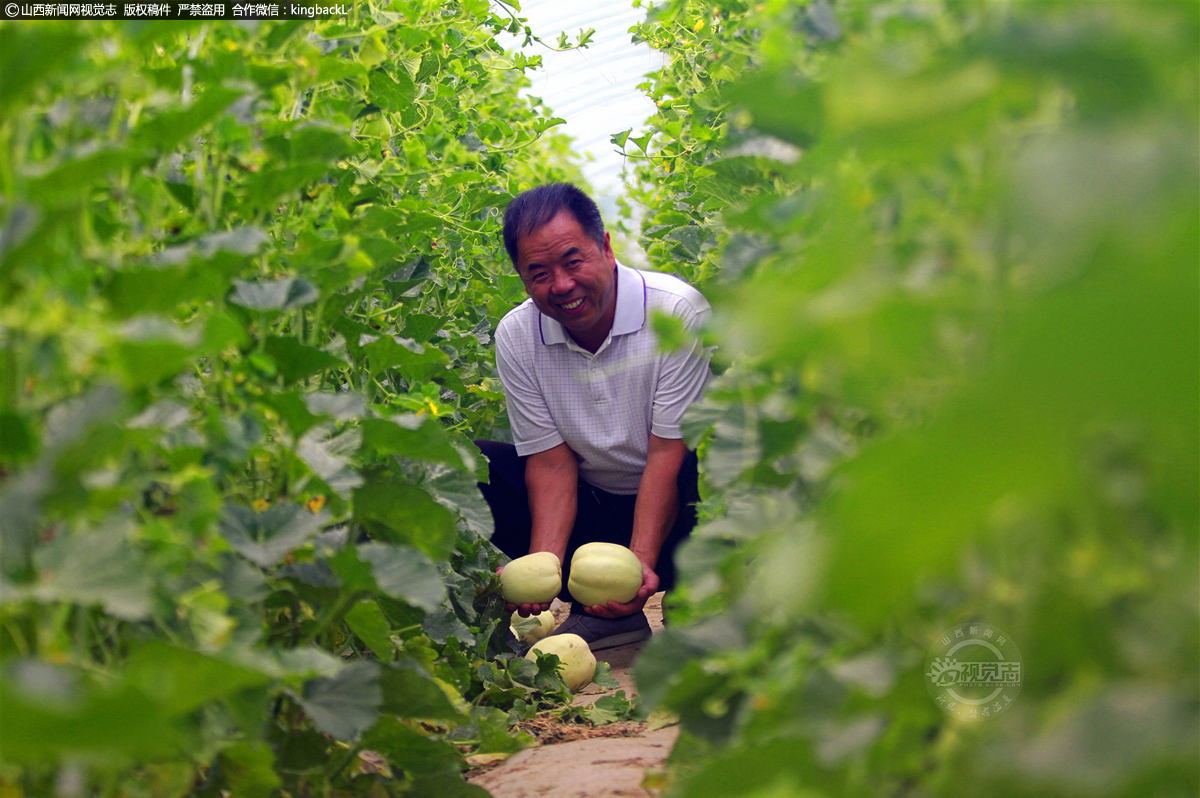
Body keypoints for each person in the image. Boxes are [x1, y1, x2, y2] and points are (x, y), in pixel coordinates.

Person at [475, 183, 713, 650]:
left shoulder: (675, 311)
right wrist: (542, 568)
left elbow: (668, 451)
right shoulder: (518, 335)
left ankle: (692, 596)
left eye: (573, 261)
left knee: (715, 467)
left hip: (681, 510)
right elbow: (550, 463)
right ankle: (605, 614)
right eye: (538, 272)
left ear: (604, 246)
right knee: (473, 464)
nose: (561, 285)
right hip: (594, 512)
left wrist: (636, 567)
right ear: (523, 279)